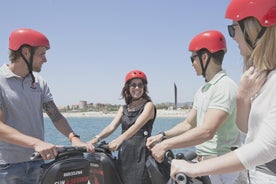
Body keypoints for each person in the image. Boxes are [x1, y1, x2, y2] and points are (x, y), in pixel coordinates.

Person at [170, 0, 276, 183]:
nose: (233, 37)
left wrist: (194, 168)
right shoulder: (258, 79)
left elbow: (267, 146)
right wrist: (242, 97)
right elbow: (247, 130)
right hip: (253, 173)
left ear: (253, 27)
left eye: (233, 29)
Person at [0, 28, 94, 184]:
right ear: (25, 52)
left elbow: (55, 116)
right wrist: (36, 143)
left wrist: (73, 137)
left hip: (38, 162)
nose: (45, 59)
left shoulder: (39, 82)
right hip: (7, 167)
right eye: (41, 54)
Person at [147, 30, 242, 184]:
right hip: (205, 164)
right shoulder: (204, 90)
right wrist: (162, 136)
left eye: (193, 58)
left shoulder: (224, 86)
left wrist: (166, 145)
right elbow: (188, 124)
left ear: (205, 57)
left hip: (222, 167)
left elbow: (207, 131)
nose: (191, 63)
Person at [87, 70, 156, 184]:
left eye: (140, 85)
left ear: (144, 87)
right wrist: (95, 139)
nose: (137, 88)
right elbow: (111, 127)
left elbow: (137, 125)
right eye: (133, 85)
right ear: (128, 87)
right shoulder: (124, 108)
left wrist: (119, 140)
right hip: (124, 156)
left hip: (141, 156)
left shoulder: (149, 105)